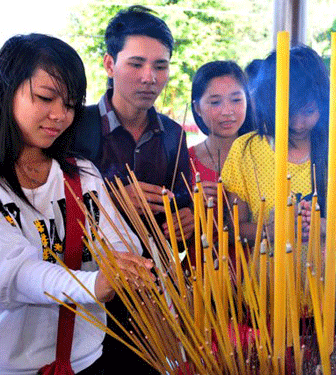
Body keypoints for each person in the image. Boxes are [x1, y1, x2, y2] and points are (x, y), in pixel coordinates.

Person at [0, 33, 149, 374]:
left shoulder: (82, 174)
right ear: (5, 92)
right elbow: (17, 274)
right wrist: (95, 284)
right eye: (46, 97)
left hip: (87, 359)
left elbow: (118, 242)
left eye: (69, 104)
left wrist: (127, 266)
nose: (59, 115)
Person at [71, 5, 192, 373]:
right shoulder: (76, 127)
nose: (149, 78)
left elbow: (183, 212)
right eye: (136, 64)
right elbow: (48, 210)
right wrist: (107, 201)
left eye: (161, 66)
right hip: (86, 300)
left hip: (151, 305)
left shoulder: (173, 134)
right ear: (109, 64)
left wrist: (187, 220)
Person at [222, 45, 336, 244]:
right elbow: (234, 228)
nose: (298, 124)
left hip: (332, 273)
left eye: (308, 112)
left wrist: (321, 225)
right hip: (267, 274)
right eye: (288, 113)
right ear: (271, 107)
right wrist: (275, 230)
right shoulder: (246, 149)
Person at [189, 60, 255, 200]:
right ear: (197, 108)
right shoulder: (185, 162)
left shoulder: (264, 155)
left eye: (236, 100)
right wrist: (190, 202)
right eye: (215, 102)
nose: (227, 111)